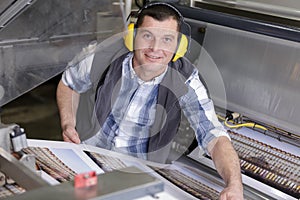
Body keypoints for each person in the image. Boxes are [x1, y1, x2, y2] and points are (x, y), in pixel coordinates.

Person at [57, 2, 243, 199]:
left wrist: (234, 184)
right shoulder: (102, 55)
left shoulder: (186, 79)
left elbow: (214, 136)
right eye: (147, 36)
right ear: (133, 37)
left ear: (179, 46)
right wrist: (68, 122)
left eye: (167, 39)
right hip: (88, 159)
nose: (155, 48)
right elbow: (69, 84)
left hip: (139, 175)